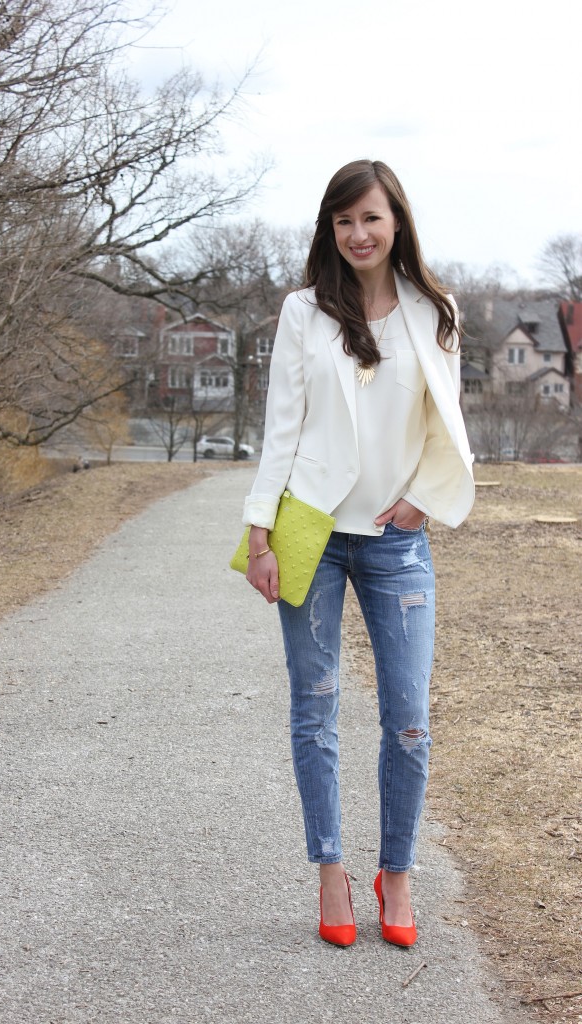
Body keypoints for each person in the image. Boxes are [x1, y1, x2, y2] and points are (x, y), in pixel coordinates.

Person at [243, 159, 474, 948]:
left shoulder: (435, 311)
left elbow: (449, 426)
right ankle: (332, 872)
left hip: (396, 539)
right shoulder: (303, 311)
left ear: (396, 221)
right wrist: (258, 534)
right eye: (343, 221)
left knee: (408, 720)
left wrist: (426, 498)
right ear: (328, 229)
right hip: (311, 529)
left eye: (370, 218)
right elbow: (281, 427)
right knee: (315, 710)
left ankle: (396, 875)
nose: (358, 234)